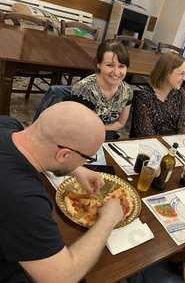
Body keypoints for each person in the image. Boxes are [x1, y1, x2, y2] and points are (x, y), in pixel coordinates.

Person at [0, 101, 124, 283]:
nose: (83, 164)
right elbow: (62, 277)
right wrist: (108, 220)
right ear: (64, 155)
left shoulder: (7, 124)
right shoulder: (24, 199)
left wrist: (76, 169)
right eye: (86, 159)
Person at [71, 39, 133, 140]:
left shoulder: (127, 91)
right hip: (79, 136)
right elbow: (75, 125)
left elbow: (120, 123)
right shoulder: (84, 89)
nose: (117, 72)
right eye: (110, 65)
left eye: (121, 66)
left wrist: (102, 129)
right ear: (98, 65)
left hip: (105, 134)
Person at [130, 52, 185, 137]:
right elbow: (146, 135)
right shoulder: (143, 97)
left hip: (171, 145)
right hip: (147, 145)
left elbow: (181, 127)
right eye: (181, 73)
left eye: (184, 73)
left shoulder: (180, 94)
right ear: (166, 72)